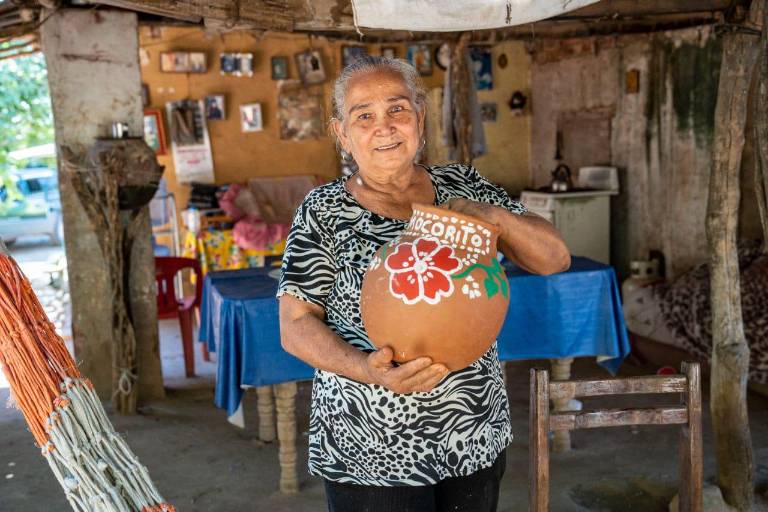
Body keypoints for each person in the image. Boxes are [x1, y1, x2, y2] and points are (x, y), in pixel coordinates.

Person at [278, 56, 570, 512]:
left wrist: (488, 216)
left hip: (472, 431)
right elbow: (295, 324)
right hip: (371, 447)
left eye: (397, 109)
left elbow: (554, 258)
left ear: (420, 116)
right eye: (364, 116)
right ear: (342, 133)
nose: (385, 127)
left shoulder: (463, 184)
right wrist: (367, 370)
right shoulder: (323, 211)